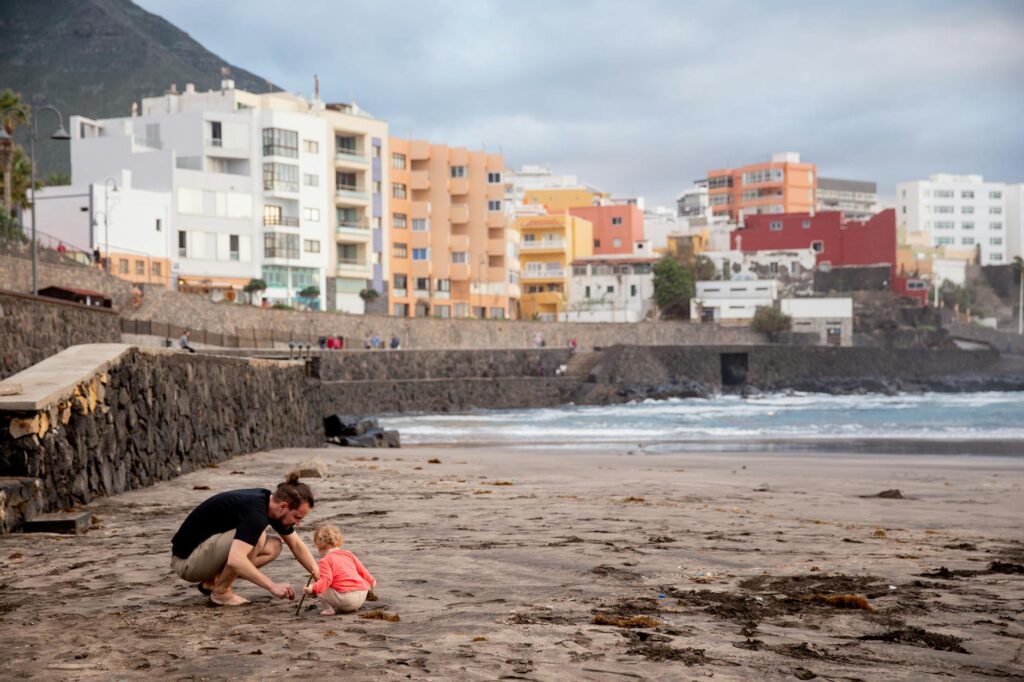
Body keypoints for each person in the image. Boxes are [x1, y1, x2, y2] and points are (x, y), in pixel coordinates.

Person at [170, 474, 319, 606]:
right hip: (187, 563)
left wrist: (322, 578)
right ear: (283, 506)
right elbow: (236, 560)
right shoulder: (255, 514)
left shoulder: (270, 502)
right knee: (257, 538)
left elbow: (296, 545)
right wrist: (272, 586)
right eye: (297, 517)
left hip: (203, 552)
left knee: (275, 545)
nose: (298, 523)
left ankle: (212, 582)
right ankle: (221, 592)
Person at [303, 524, 377, 616]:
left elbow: (326, 580)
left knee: (320, 585)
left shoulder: (325, 560)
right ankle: (353, 607)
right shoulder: (349, 554)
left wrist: (312, 589)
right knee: (357, 580)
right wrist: (371, 581)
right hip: (361, 595)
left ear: (318, 545)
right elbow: (362, 571)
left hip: (345, 599)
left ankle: (329, 609)